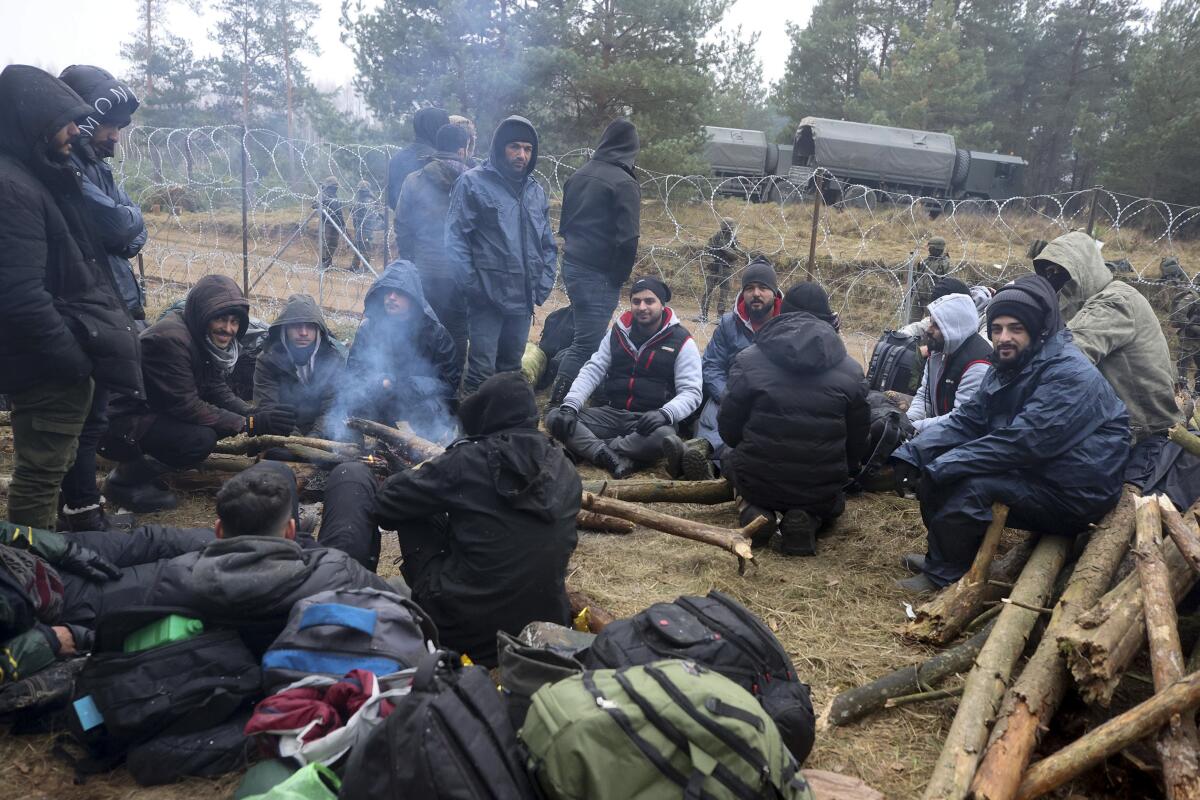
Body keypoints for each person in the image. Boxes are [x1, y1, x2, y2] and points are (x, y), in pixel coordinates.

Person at [891, 275, 1130, 593]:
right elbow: (970, 419)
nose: (1004, 337)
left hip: (1074, 491)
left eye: (1016, 329)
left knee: (970, 486)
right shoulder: (1010, 365)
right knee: (939, 468)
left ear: (1037, 331)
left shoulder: (1069, 373)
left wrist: (946, 464)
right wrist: (914, 453)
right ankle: (946, 557)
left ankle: (944, 575)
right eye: (997, 329)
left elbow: (1025, 441)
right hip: (1042, 471)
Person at [0, 65, 144, 530]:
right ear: (34, 121)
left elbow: (122, 231)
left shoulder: (40, 174)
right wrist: (73, 357)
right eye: (66, 120)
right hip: (52, 355)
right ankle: (31, 574)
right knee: (42, 473)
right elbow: (19, 295)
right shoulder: (14, 187)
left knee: (56, 459)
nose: (73, 131)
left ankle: (48, 553)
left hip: (69, 343)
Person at [372, 373, 580, 667]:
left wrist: (415, 473)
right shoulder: (565, 465)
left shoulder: (468, 460)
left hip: (464, 632)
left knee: (412, 511)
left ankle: (427, 609)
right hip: (543, 625)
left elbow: (387, 504)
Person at [101, 275, 297, 512]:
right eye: (221, 320)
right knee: (199, 439)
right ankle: (123, 481)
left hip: (149, 412)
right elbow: (187, 405)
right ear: (204, 314)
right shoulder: (171, 340)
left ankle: (140, 470)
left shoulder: (198, 335)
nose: (228, 329)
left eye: (235, 322)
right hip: (119, 422)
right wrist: (251, 423)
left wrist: (251, 413)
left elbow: (214, 387)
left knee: (217, 426)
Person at [52, 65, 148, 532]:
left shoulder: (99, 168)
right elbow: (117, 226)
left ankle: (84, 504)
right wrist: (127, 221)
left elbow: (131, 234)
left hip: (111, 302)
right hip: (84, 307)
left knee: (98, 412)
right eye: (110, 125)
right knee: (83, 416)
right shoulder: (63, 167)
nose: (115, 137)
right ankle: (80, 509)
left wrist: (127, 221)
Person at [718, 282, 869, 556]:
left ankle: (755, 513)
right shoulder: (851, 370)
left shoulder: (749, 360)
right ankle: (808, 519)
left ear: (782, 313)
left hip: (759, 480)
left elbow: (729, 429)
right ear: (828, 318)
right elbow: (857, 442)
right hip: (820, 487)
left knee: (729, 456)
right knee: (830, 502)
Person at [1032, 231, 1179, 485]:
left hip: (1145, 433)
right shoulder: (1080, 304)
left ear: (1083, 268)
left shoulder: (1114, 301)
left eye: (1062, 270)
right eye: (1049, 271)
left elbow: (1067, 358)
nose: (1056, 279)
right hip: (1115, 427)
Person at [547, 277, 702, 479]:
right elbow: (593, 369)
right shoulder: (618, 333)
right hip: (611, 413)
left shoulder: (682, 340)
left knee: (664, 437)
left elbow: (692, 392)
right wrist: (571, 404)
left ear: (662, 305)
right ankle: (608, 455)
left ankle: (593, 447)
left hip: (650, 421)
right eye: (636, 301)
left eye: (649, 301)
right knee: (556, 417)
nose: (642, 307)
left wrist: (665, 414)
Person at [446, 115, 558, 393]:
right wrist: (474, 286)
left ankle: (500, 430)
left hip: (522, 300)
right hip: (487, 297)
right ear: (500, 147)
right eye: (515, 147)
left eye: (528, 149)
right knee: (481, 372)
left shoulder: (535, 191)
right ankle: (470, 431)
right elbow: (455, 239)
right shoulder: (472, 183)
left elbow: (547, 243)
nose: (522, 155)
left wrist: (540, 286)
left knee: (510, 369)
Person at [550, 119, 642, 407]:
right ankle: (557, 404)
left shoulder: (579, 175)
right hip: (599, 273)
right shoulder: (624, 183)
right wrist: (618, 277)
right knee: (586, 344)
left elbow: (564, 226)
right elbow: (628, 239)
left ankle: (594, 395)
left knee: (589, 335)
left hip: (573, 266)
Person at [673, 257, 782, 481]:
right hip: (729, 393)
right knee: (712, 422)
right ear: (743, 293)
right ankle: (704, 462)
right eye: (750, 288)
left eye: (763, 288)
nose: (756, 293)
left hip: (769, 398)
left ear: (775, 292)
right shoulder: (728, 323)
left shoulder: (788, 322)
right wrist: (726, 396)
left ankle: (706, 461)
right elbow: (712, 365)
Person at [345, 262, 460, 442]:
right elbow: (354, 372)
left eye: (399, 293)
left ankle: (428, 451)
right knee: (357, 400)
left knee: (431, 408)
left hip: (418, 405)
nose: (391, 297)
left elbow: (448, 383)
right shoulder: (369, 329)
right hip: (381, 400)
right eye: (388, 292)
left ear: (413, 298)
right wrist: (380, 381)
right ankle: (361, 449)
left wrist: (404, 384)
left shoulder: (437, 334)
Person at [395, 123, 471, 375]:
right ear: (463, 150)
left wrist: (410, 262)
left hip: (424, 269)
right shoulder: (474, 181)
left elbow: (403, 225)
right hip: (460, 272)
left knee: (422, 325)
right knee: (458, 329)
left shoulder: (414, 180)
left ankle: (421, 379)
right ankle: (453, 381)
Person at [253, 294, 346, 438]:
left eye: (309, 326)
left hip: (322, 429)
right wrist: (296, 440)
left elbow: (332, 407)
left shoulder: (333, 360)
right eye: (296, 325)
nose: (303, 333)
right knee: (278, 454)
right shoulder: (268, 360)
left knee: (350, 440)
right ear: (284, 329)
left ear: (318, 330)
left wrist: (315, 438)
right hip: (284, 429)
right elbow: (268, 407)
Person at [905, 293, 993, 438]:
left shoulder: (978, 365)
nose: (928, 330)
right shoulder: (939, 350)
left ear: (953, 327)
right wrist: (907, 421)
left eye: (937, 325)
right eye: (930, 322)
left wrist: (914, 427)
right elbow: (924, 397)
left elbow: (960, 420)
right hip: (941, 432)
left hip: (966, 440)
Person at [386, 107, 450, 212]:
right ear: (438, 127)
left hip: (403, 223)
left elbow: (392, 200)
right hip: (434, 226)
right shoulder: (439, 160)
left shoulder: (397, 158)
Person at [701, 218, 739, 322]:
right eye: (728, 227)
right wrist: (710, 261)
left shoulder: (733, 239)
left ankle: (720, 316)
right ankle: (703, 315)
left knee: (724, 293)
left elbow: (736, 255)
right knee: (707, 291)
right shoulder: (716, 237)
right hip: (714, 267)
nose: (730, 229)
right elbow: (706, 250)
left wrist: (725, 249)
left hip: (726, 268)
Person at [909, 237, 951, 323]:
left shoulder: (944, 263)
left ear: (936, 248)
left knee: (931, 325)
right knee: (911, 324)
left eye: (930, 247)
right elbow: (918, 277)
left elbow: (946, 281)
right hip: (919, 296)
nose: (928, 249)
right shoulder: (926, 261)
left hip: (932, 299)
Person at [1172, 284, 1200, 393]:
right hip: (1189, 337)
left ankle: (1197, 391)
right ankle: (1181, 390)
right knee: (1183, 365)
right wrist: (1194, 327)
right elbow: (1178, 315)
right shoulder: (1192, 297)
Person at [349, 181, 382, 272]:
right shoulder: (362, 199)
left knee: (365, 247)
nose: (359, 192)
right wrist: (353, 209)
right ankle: (354, 266)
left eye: (361, 190)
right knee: (358, 246)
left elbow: (369, 217)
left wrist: (365, 230)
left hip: (366, 228)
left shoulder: (368, 200)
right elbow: (358, 212)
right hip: (360, 227)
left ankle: (366, 268)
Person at [314, 176, 344, 270]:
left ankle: (329, 263)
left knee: (333, 243)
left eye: (336, 186)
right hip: (326, 223)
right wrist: (325, 211)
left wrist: (342, 223)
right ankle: (323, 263)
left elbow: (339, 211)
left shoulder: (334, 196)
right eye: (335, 186)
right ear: (330, 186)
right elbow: (314, 204)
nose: (336, 188)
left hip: (336, 223)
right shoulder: (323, 194)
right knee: (325, 243)